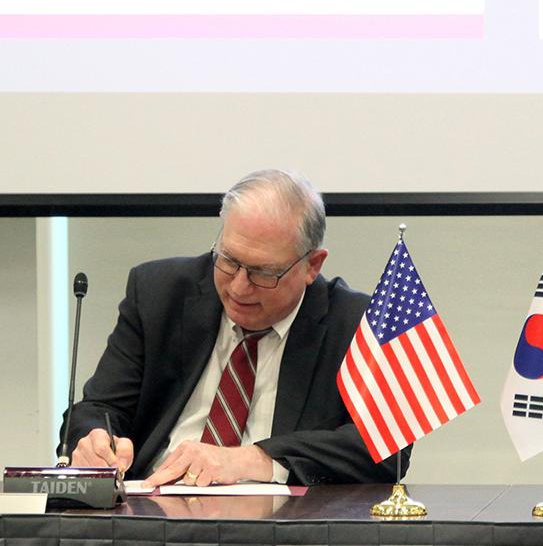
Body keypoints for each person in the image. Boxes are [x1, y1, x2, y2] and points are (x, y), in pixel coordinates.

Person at [63, 169, 408, 487]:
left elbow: (387, 449)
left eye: (263, 273)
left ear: (312, 266)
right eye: (228, 261)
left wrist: (255, 458)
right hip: (151, 512)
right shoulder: (158, 294)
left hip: (280, 533)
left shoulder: (353, 322)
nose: (238, 287)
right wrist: (93, 441)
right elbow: (97, 409)